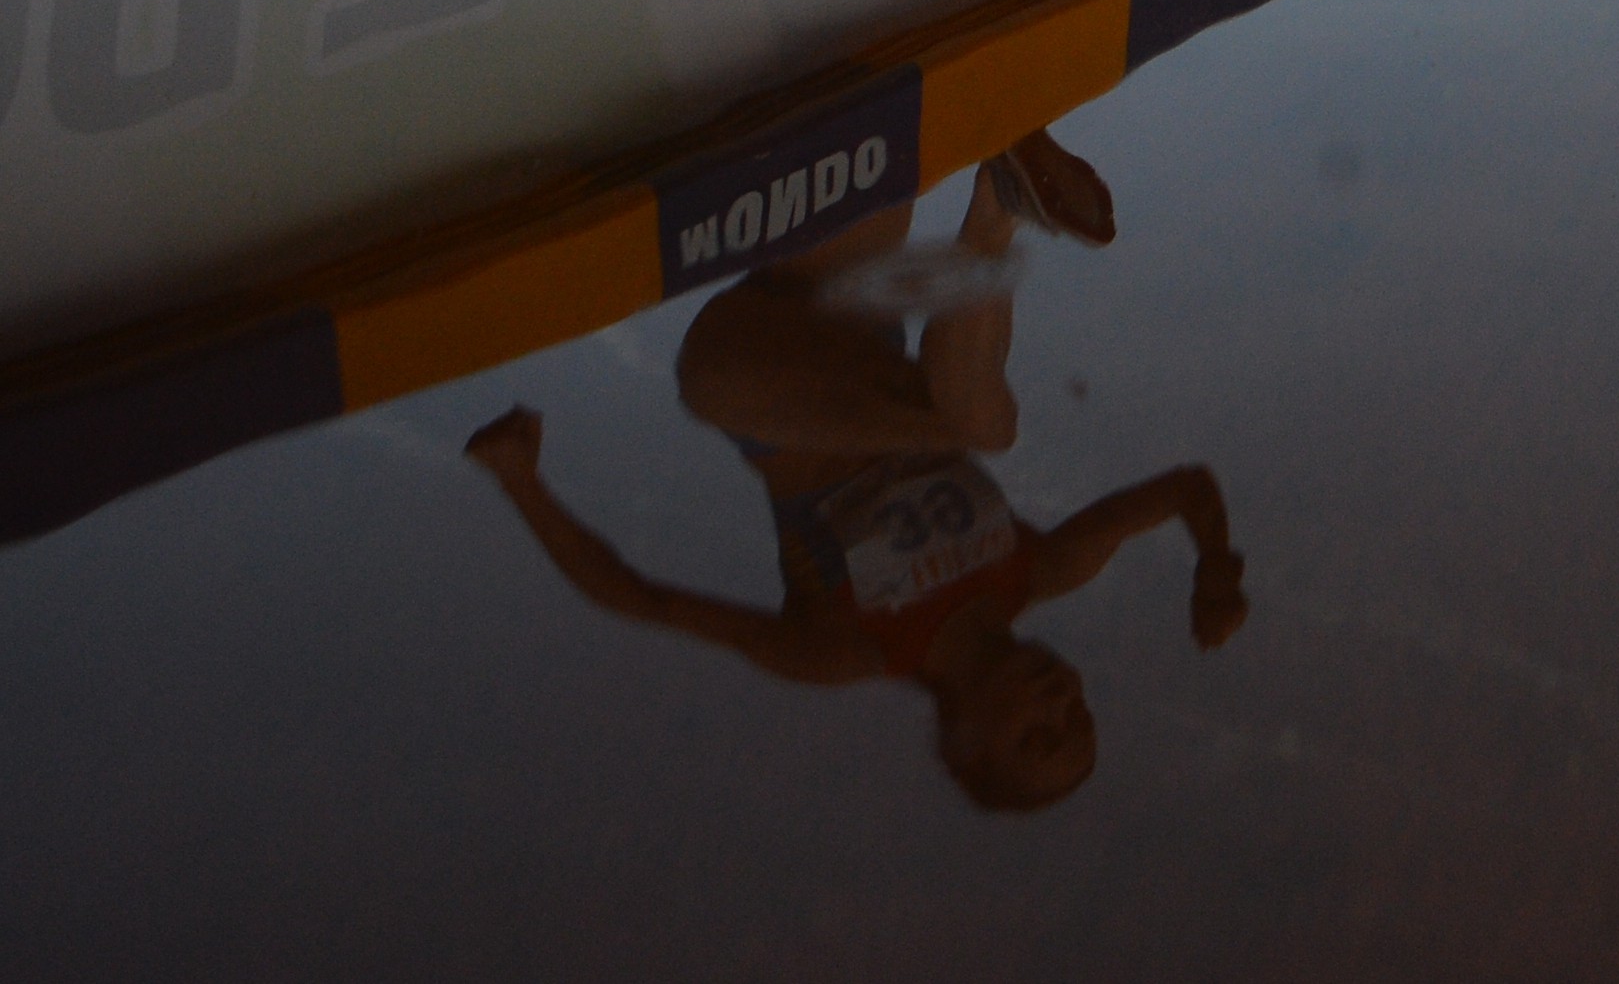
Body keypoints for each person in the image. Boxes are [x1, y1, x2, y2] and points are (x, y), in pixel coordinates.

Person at [458, 129, 1247, 812]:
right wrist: (1213, 562)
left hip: (744, 379)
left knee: (982, 426)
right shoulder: (1040, 570)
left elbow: (643, 598)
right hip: (833, 304)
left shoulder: (842, 653)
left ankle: (999, 207)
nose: (1058, 704)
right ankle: (996, 189)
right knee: (882, 131)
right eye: (1079, 715)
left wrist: (521, 482)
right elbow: (1184, 489)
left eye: (1038, 735)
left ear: (962, 741)